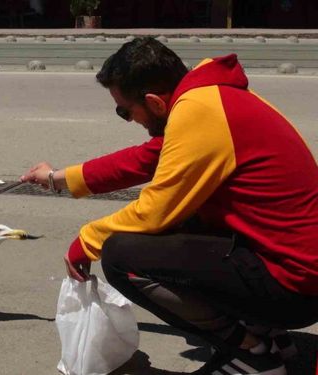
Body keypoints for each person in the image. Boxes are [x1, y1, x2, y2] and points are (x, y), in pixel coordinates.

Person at [20, 37, 318, 375]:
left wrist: (88, 240)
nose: (130, 120)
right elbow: (141, 161)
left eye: (125, 111)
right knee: (183, 223)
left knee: (120, 255)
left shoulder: (199, 111)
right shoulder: (214, 96)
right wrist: (58, 178)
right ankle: (268, 333)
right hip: (295, 267)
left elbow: (154, 210)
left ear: (154, 102)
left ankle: (253, 354)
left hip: (293, 284)